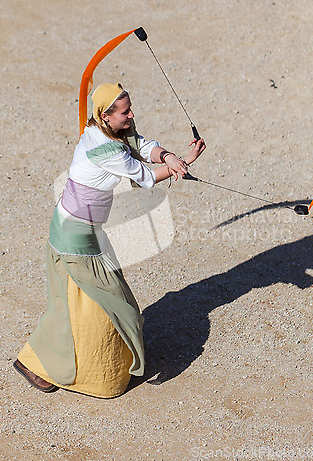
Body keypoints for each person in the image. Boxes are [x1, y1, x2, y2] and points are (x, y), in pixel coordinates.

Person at [14, 83, 206, 398]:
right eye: (125, 111)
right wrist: (184, 161)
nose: (131, 115)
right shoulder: (106, 149)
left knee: (81, 307)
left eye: (130, 108)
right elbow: (143, 176)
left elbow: (140, 145)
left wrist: (169, 155)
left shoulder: (103, 132)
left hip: (81, 230)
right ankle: (36, 363)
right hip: (75, 235)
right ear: (106, 116)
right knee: (117, 307)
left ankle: (50, 364)